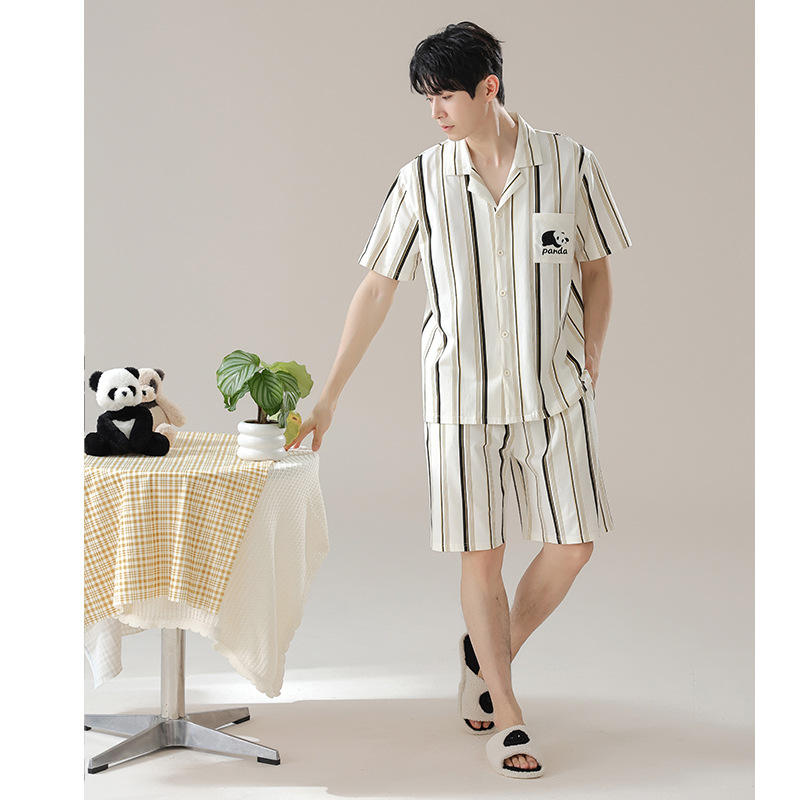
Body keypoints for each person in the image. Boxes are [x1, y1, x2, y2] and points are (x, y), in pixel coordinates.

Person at [285, 20, 632, 778]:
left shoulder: (569, 164)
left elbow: (597, 268)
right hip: (461, 400)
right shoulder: (420, 179)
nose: (435, 110)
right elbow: (377, 286)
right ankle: (507, 713)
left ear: (489, 88)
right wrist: (329, 394)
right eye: (428, 98)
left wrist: (592, 353)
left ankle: (485, 652)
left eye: (446, 95)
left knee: (574, 545)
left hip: (556, 392)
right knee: (482, 556)